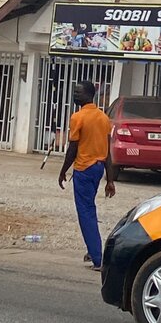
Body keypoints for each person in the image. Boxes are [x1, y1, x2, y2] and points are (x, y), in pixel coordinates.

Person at [58, 81, 116, 271]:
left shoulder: (78, 117)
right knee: (90, 210)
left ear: (89, 95)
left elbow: (73, 148)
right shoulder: (103, 117)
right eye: (74, 91)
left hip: (83, 169)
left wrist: (63, 170)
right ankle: (93, 251)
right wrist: (110, 179)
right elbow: (107, 151)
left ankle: (98, 259)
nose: (75, 95)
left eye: (78, 92)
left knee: (86, 213)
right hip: (98, 168)